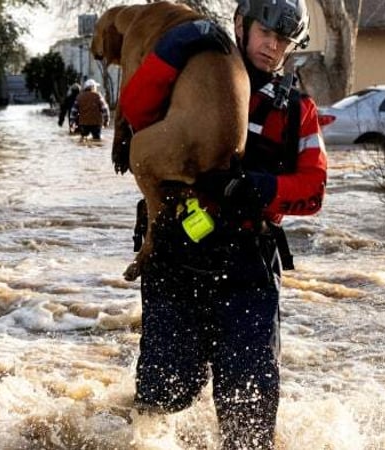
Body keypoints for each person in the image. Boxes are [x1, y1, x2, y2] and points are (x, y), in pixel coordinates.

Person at [118, 0, 326, 448]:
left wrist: (257, 188)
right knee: (163, 392)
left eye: (283, 40)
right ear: (239, 26)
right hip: (175, 252)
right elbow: (136, 114)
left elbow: (314, 189)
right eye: (265, 34)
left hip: (248, 265)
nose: (273, 46)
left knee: (249, 411)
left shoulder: (297, 108)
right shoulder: (186, 74)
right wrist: (171, 51)